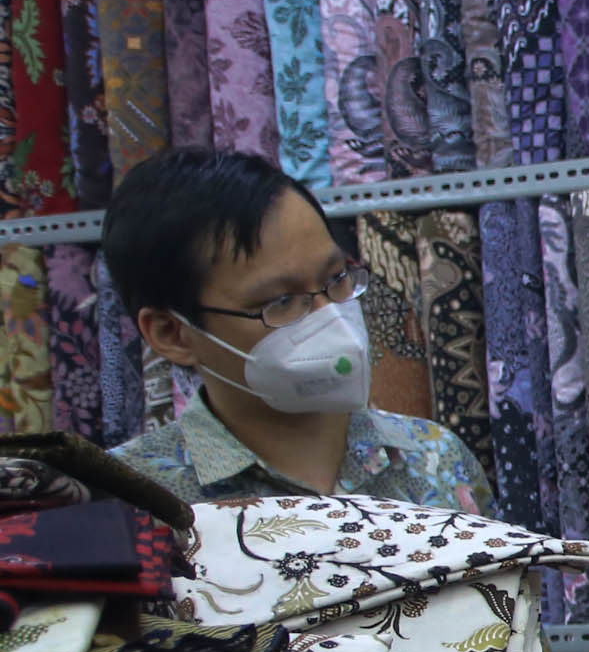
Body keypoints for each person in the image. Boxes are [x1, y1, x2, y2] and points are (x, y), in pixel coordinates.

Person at [103, 147, 490, 511]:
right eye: (281, 302)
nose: (329, 315)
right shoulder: (126, 501)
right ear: (171, 333)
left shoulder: (435, 458)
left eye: (337, 278)